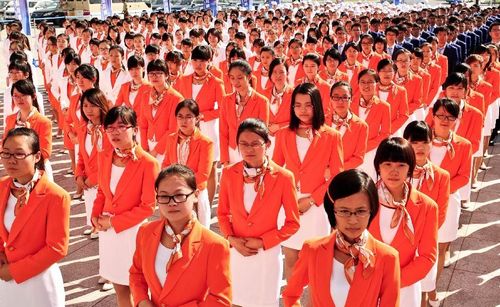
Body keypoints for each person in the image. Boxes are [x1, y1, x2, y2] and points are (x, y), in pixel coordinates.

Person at [282, 169, 401, 307]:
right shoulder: (312, 250)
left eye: (361, 211)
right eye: (344, 211)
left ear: (372, 211)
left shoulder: (388, 257)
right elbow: (290, 295)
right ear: (332, 211)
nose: (353, 220)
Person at [217, 118, 300, 307]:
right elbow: (222, 213)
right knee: (236, 301)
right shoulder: (229, 174)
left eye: (255, 143)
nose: (249, 149)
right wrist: (231, 238)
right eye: (243, 144)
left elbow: (293, 223)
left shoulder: (284, 177)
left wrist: (264, 241)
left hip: (266, 255)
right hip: (237, 251)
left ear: (268, 144)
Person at [129, 164, 231, 306]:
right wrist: (142, 301)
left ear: (195, 195)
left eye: (179, 195)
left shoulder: (214, 244)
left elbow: (220, 300)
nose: (172, 203)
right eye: (164, 196)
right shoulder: (145, 232)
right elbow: (137, 274)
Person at [273, 83, 344, 280]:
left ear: (317, 106)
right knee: (291, 259)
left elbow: (337, 176)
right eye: (297, 105)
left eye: (308, 105)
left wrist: (312, 199)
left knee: (316, 264)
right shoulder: (283, 134)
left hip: (317, 206)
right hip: (289, 205)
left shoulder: (332, 136)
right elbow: (274, 170)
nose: (302, 110)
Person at [92, 106, 159, 307]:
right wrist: (95, 217)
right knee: (119, 287)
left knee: (137, 287)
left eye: (122, 126)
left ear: (135, 129)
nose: (115, 132)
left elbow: (148, 206)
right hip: (107, 232)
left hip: (132, 232)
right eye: (110, 128)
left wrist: (113, 221)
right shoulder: (104, 155)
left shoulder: (148, 163)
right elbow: (102, 191)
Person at [0, 127, 70, 307]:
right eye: (6, 154)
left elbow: (57, 248)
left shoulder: (56, 196)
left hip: (40, 282)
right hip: (6, 281)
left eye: (19, 154)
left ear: (37, 156)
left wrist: (14, 271)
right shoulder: (1, 187)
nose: (11, 160)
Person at [369, 137, 438, 307]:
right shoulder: (363, 199)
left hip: (404, 287)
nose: (394, 171)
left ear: (410, 169)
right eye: (387, 164)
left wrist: (393, 280)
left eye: (401, 165)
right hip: (366, 284)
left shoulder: (427, 206)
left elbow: (427, 256)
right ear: (378, 166)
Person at [402, 121, 450, 307]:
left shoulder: (441, 176)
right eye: (414, 142)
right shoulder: (395, 172)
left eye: (424, 142)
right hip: (399, 240)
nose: (420, 147)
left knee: (422, 284)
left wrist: (420, 238)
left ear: (432, 143)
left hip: (425, 242)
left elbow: (441, 213)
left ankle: (430, 294)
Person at [428, 98, 472, 281]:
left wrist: (441, 190)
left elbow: (463, 176)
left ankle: (432, 289)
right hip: (420, 200)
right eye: (440, 116)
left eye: (450, 117)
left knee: (440, 247)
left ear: (457, 119)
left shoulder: (464, 145)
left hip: (448, 201)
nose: (445, 120)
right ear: (433, 116)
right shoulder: (421, 140)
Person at [175, 45, 225, 205]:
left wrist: (204, 115)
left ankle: (207, 204)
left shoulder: (216, 82)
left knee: (209, 168)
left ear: (209, 62)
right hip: (186, 129)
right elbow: (177, 103)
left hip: (209, 128)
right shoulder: (183, 80)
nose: (198, 64)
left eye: (202, 61)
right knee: (187, 165)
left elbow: (224, 109)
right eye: (195, 60)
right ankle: (187, 201)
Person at [157, 99, 214, 227]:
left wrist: (184, 190)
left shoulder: (206, 142)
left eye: (189, 117)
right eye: (180, 117)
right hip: (173, 191)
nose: (184, 121)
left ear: (197, 118)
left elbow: (203, 174)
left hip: (195, 192)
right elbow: (166, 164)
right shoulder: (171, 138)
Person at [75, 88, 111, 239]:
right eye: (85, 106)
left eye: (92, 105)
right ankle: (93, 225)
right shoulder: (84, 128)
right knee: (91, 208)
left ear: (101, 105)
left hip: (104, 181)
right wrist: (78, 176)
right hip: (88, 182)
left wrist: (94, 179)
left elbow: (110, 158)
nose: (88, 110)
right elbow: (81, 155)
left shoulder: (109, 130)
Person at [219, 60, 269, 165]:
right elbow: (223, 131)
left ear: (249, 76)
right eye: (232, 78)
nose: (236, 82)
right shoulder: (226, 100)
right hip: (231, 151)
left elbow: (263, 133)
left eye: (240, 77)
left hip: (252, 152)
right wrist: (224, 159)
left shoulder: (262, 101)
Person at [4, 80, 54, 182]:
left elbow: (45, 152)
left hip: (37, 171)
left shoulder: (43, 122)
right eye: (15, 96)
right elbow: (4, 145)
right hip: (15, 170)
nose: (19, 99)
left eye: (23, 95)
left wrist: (29, 134)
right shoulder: (10, 119)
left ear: (33, 96)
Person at [139, 59, 184, 164]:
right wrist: (145, 148)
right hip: (148, 144)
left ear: (167, 75)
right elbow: (143, 124)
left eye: (159, 73)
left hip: (167, 147)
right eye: (151, 73)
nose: (154, 76)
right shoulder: (146, 95)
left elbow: (173, 129)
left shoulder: (176, 98)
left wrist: (155, 151)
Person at [351, 69, 391, 180]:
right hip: (350, 152)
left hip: (371, 152)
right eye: (362, 82)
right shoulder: (350, 103)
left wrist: (365, 147)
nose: (366, 85)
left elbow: (385, 133)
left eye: (370, 82)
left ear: (377, 84)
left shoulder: (384, 106)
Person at [328, 81, 368, 170]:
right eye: (336, 97)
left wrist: (336, 170)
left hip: (346, 175)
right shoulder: (320, 122)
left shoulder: (361, 126)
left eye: (345, 97)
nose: (340, 101)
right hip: (321, 175)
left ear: (351, 99)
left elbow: (358, 158)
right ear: (330, 99)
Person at [262, 57, 294, 155]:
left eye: (281, 72)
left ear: (287, 73)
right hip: (268, 141)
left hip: (288, 139)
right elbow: (259, 117)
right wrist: (265, 128)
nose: (278, 75)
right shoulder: (264, 94)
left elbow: (299, 120)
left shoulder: (295, 94)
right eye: (274, 72)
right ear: (270, 75)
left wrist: (279, 126)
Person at [376, 59, 409, 136]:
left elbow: (404, 115)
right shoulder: (370, 89)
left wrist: (388, 129)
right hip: (372, 133)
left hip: (392, 132)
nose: (386, 73)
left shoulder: (401, 91)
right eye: (383, 70)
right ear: (378, 73)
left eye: (390, 71)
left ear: (394, 73)